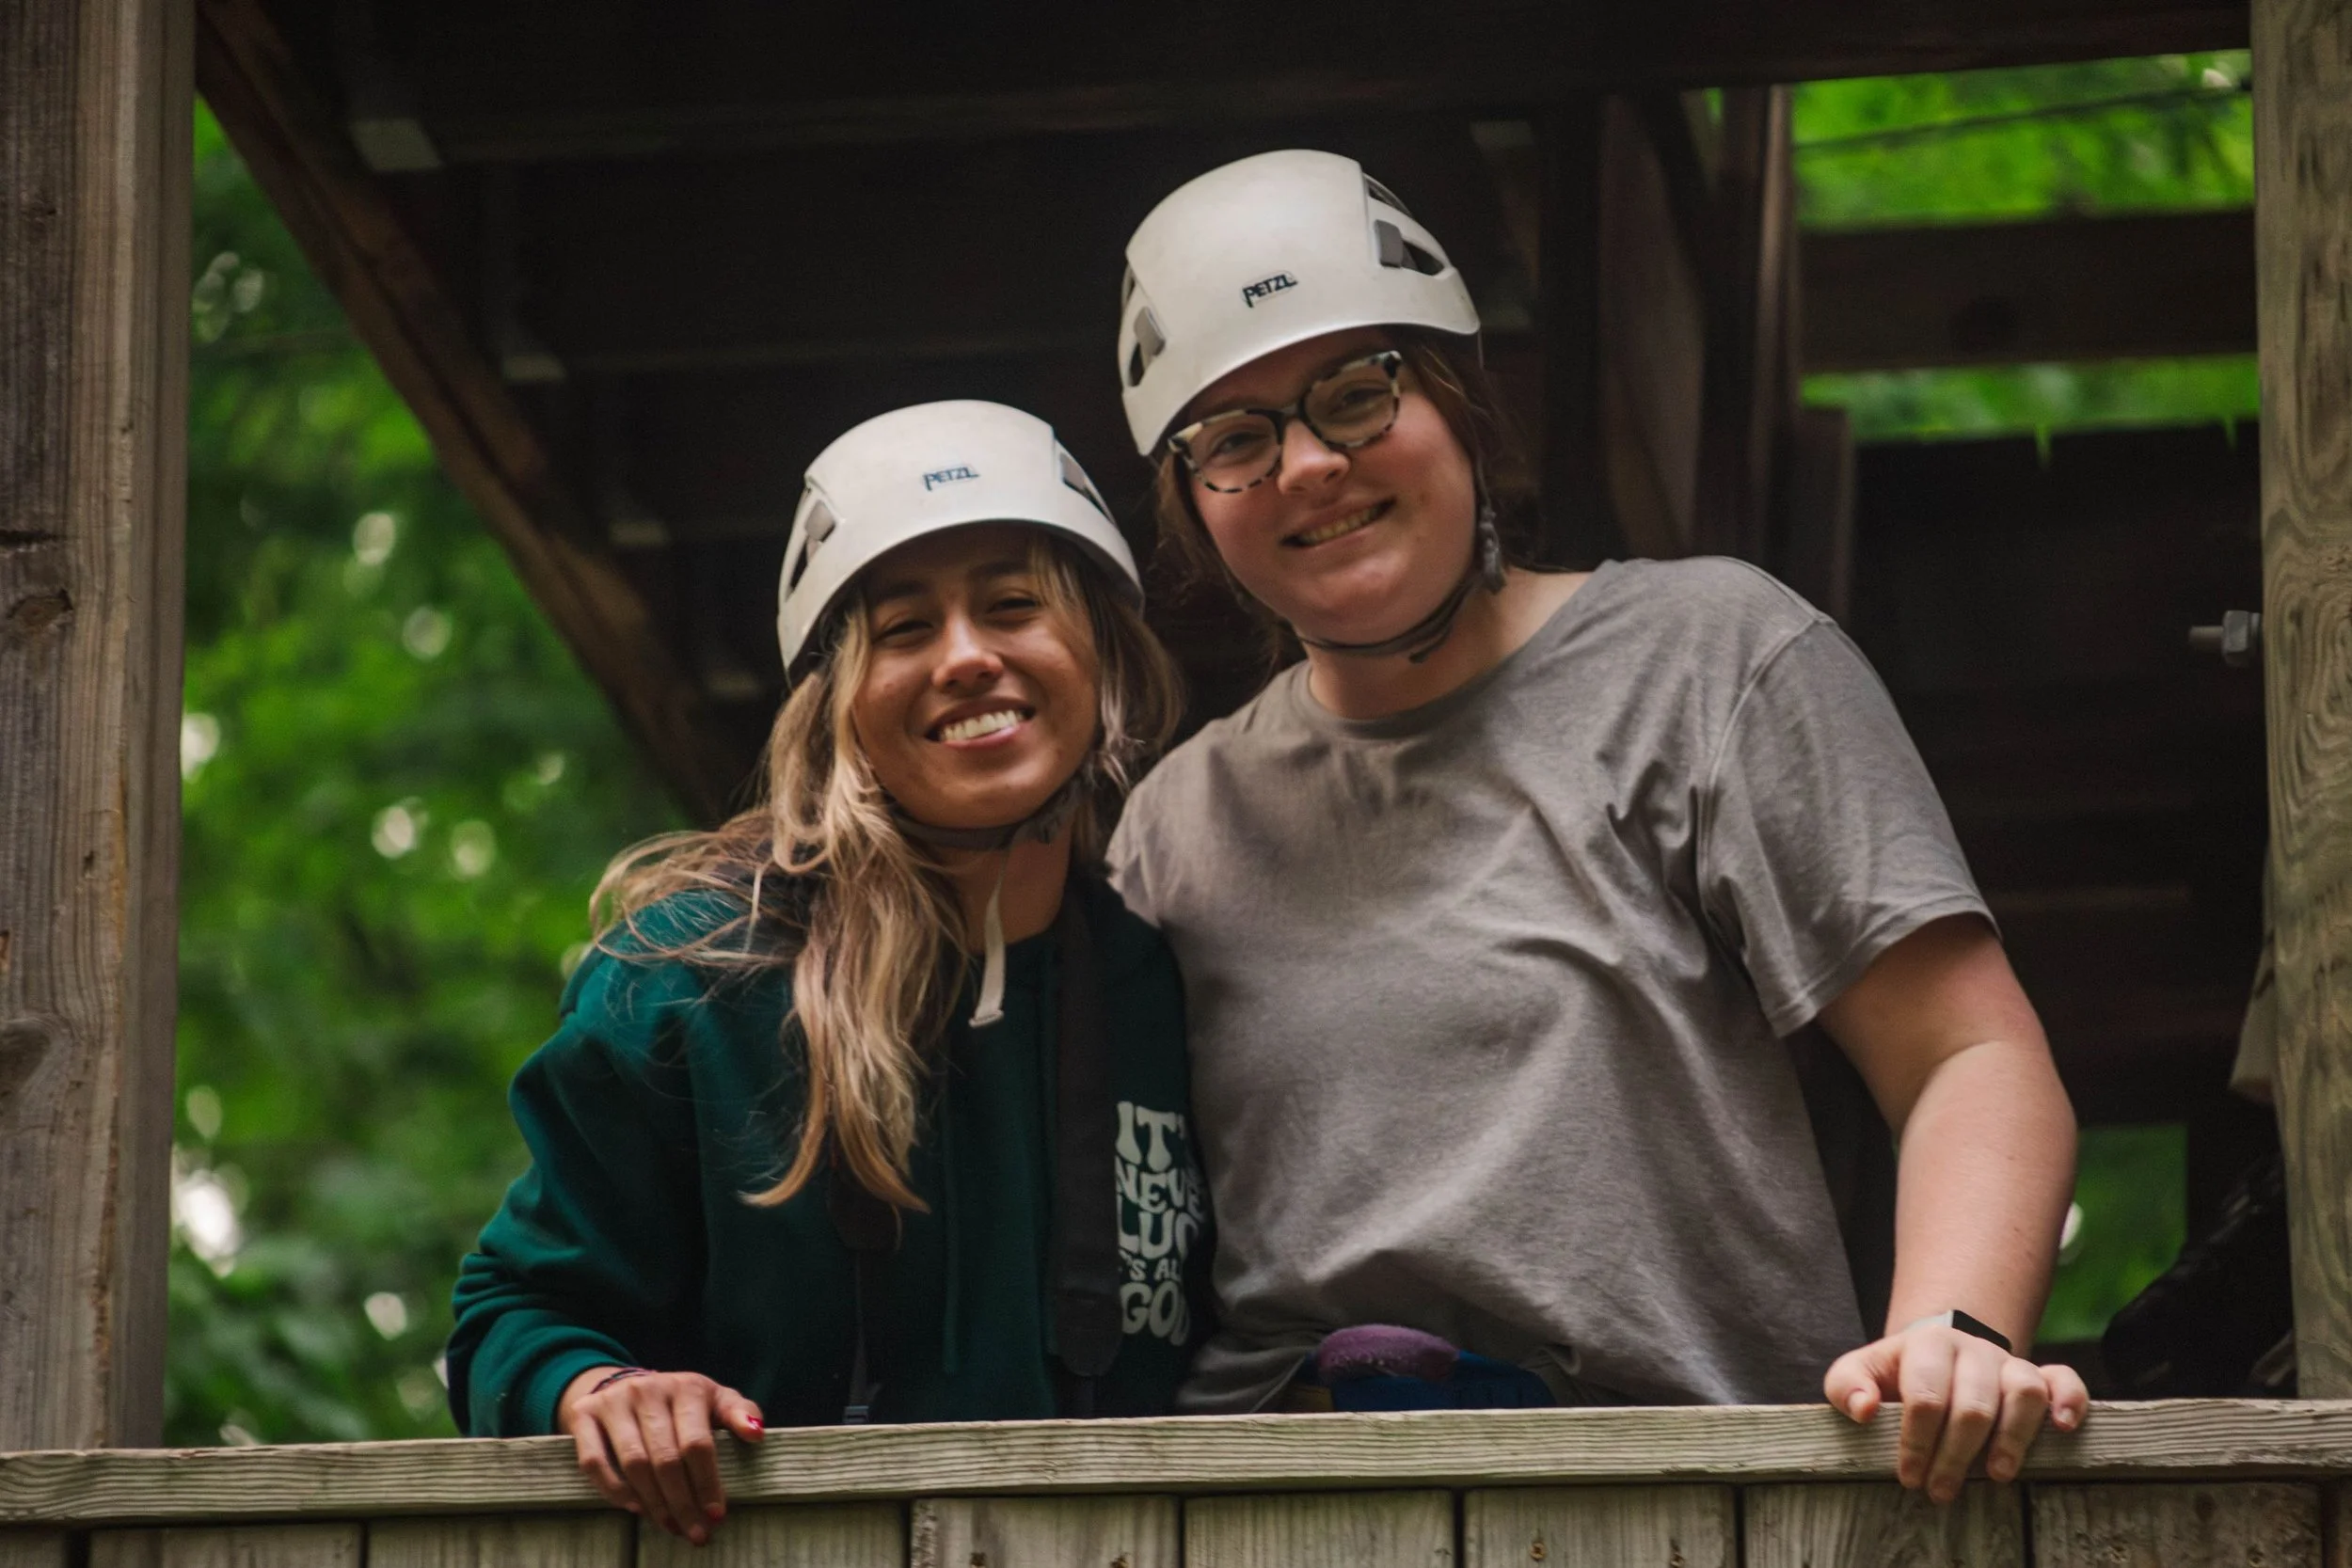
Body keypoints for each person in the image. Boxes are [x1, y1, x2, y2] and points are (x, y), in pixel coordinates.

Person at [1104, 150, 2087, 1503]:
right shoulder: (1172, 827)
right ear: (1196, 502)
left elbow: (1968, 1051)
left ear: (1453, 395)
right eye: (1235, 436)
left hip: (1681, 1496)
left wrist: (1956, 1330)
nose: (1311, 465)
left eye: (1355, 391)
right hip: (1292, 1509)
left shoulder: (1710, 660)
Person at [447, 402, 1210, 1540]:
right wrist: (603, 1390)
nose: (965, 656)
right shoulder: (690, 982)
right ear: (837, 702)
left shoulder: (1165, 987)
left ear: (1100, 650)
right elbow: (512, 1307)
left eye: (1013, 605)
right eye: (902, 628)